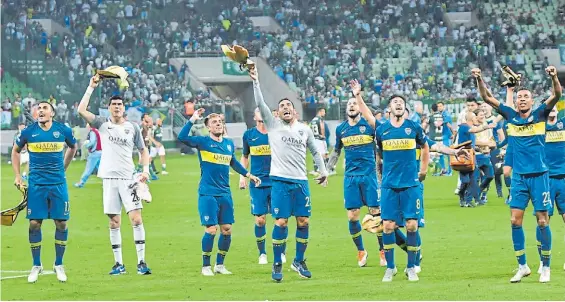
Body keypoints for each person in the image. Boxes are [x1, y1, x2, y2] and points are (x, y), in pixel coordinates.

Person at [473, 66, 562, 283]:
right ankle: (522, 265)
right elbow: (487, 97)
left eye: (526, 97)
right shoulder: (511, 115)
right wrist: (479, 79)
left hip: (540, 175)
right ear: (516, 102)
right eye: (519, 97)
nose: (522, 100)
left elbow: (557, 94)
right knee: (515, 220)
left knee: (543, 221)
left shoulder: (541, 113)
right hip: (520, 178)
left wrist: (554, 77)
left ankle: (546, 266)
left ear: (532, 101)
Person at [249, 64, 328, 282]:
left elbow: (315, 149)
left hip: (301, 182)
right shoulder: (273, 125)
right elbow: (260, 103)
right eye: (281, 105)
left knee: (303, 221)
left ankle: (299, 260)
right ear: (276, 112)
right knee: (281, 222)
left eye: (288, 105)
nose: (285, 107)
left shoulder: (303, 129)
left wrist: (323, 171)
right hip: (280, 182)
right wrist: (255, 80)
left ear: (294, 111)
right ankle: (276, 263)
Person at [353, 79, 429, 282]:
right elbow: (369, 117)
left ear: (405, 108)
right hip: (388, 186)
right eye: (394, 101)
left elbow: (425, 146)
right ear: (389, 108)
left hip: (410, 185)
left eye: (400, 102)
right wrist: (358, 95)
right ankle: (391, 267)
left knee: (411, 225)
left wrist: (423, 168)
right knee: (387, 226)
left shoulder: (413, 127)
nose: (398, 103)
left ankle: (411, 267)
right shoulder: (382, 129)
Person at [78, 75, 153, 276]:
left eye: (120, 104)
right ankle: (118, 264)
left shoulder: (133, 127)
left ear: (124, 108)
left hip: (129, 179)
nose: (117, 107)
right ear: (109, 108)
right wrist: (91, 86)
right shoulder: (102, 124)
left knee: (136, 219)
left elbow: (143, 150)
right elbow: (81, 110)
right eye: (114, 104)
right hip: (109, 179)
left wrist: (145, 171)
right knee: (114, 222)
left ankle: (141, 262)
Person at [177, 108, 261, 276]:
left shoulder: (228, 144)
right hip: (208, 193)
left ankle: (220, 265)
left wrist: (248, 175)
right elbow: (182, 138)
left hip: (225, 193)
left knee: (227, 229)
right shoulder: (203, 142)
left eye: (220, 122)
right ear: (208, 127)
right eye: (214, 122)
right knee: (211, 229)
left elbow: (234, 162)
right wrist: (193, 118)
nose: (218, 124)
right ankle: (206, 266)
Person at [12, 101, 77, 283]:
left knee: (61, 223)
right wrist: (18, 176)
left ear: (52, 113)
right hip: (36, 185)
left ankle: (58, 264)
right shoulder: (28, 132)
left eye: (44, 108)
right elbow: (15, 151)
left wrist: (64, 167)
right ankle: (36, 265)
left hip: (58, 184)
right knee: (34, 223)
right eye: (38, 108)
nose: (40, 110)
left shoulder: (62, 130)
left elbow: (73, 147)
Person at [326, 97, 379, 268]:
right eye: (349, 104)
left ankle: (383, 249)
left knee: (376, 214)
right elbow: (336, 151)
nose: (351, 106)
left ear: (360, 108)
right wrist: (326, 170)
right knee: (352, 215)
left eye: (354, 103)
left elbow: (381, 148)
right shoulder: (341, 129)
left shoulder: (369, 126)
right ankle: (361, 250)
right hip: (350, 177)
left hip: (369, 176)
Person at [239, 108, 284, 265]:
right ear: (254, 116)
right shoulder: (249, 135)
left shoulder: (276, 134)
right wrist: (242, 176)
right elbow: (245, 157)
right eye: (257, 110)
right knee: (260, 220)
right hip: (257, 183)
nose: (260, 113)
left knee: (280, 218)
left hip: (276, 182)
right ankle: (262, 253)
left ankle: (281, 251)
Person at [536, 106, 565, 273]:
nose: (553, 109)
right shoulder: (539, 127)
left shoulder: (563, 124)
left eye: (555, 107)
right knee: (543, 221)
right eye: (549, 108)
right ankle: (543, 260)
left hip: (563, 179)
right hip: (544, 180)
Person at [473, 108, 497, 204]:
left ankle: (479, 193)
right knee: (475, 178)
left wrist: (488, 144)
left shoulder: (487, 128)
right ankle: (473, 197)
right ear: (475, 117)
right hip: (476, 156)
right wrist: (486, 143)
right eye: (480, 115)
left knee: (490, 176)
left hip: (486, 155)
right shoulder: (473, 128)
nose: (482, 117)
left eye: (483, 115)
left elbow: (492, 142)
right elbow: (474, 142)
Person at [74, 123, 102, 188]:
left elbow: (92, 141)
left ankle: (81, 183)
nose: (86, 127)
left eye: (87, 125)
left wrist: (86, 145)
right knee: (99, 170)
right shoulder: (97, 130)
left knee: (88, 169)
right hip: (100, 152)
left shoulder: (92, 132)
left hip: (94, 153)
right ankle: (107, 183)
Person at [309, 107, 328, 175]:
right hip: (320, 139)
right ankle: (325, 169)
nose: (324, 113)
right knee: (323, 154)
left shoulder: (313, 120)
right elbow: (322, 127)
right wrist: (323, 135)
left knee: (316, 153)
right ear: (320, 111)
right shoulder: (320, 119)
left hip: (315, 138)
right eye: (323, 111)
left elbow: (310, 128)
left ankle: (316, 168)